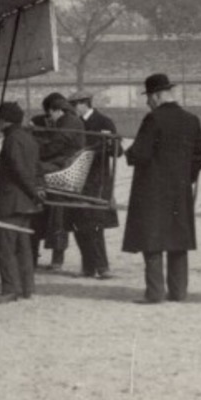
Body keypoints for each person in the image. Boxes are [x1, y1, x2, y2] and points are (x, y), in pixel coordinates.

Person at [121, 72, 201, 303]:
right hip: (180, 191)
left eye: (148, 97)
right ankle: (179, 293)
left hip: (152, 191)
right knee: (178, 241)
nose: (147, 102)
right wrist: (185, 178)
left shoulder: (153, 119)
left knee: (153, 241)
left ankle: (155, 294)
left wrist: (127, 152)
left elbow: (141, 153)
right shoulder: (192, 119)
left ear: (157, 96)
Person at [0, 100, 44, 302]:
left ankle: (10, 290)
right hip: (26, 204)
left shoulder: (11, 140)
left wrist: (32, 192)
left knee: (4, 246)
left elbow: (17, 170)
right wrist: (37, 194)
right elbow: (36, 169)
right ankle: (28, 288)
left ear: (4, 121)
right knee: (24, 247)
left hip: (11, 202)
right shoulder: (29, 138)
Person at [68, 90, 120, 279]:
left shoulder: (104, 122)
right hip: (76, 180)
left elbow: (117, 150)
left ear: (84, 103)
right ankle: (88, 267)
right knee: (78, 224)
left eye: (73, 106)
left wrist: (89, 151)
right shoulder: (74, 123)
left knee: (95, 225)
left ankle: (102, 267)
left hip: (97, 180)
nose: (72, 110)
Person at [32, 92, 86, 271]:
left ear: (56, 110)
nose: (49, 118)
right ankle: (56, 260)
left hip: (64, 167)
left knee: (31, 167)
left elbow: (56, 146)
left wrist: (36, 150)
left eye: (50, 114)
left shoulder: (68, 122)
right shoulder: (69, 120)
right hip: (64, 163)